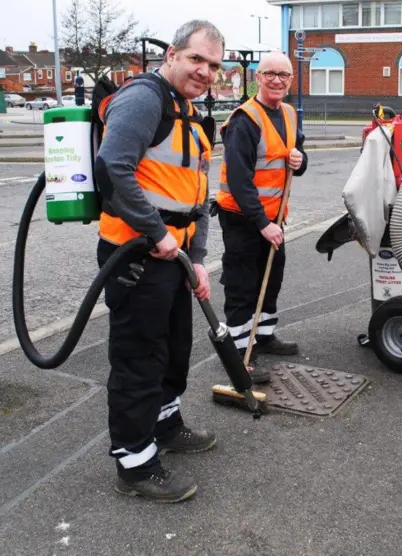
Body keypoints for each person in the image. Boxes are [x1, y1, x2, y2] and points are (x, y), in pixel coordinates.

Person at [94, 20, 224, 503]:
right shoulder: (144, 98)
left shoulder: (188, 110)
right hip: (136, 255)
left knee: (173, 348)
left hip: (173, 257)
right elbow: (113, 167)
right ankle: (135, 462)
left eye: (213, 65)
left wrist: (197, 259)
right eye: (196, 59)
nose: (205, 71)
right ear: (172, 54)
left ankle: (165, 427)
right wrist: (155, 234)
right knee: (138, 356)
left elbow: (198, 196)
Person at [215, 51, 308, 384]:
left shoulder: (288, 113)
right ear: (257, 77)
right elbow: (240, 181)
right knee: (243, 285)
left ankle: (264, 336)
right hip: (244, 218)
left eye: (284, 75)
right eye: (270, 73)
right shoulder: (245, 120)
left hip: (272, 218)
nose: (277, 80)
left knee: (272, 278)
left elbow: (294, 156)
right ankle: (239, 355)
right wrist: (262, 224)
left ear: (290, 80)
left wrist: (301, 158)